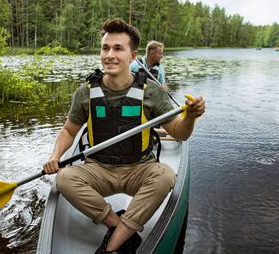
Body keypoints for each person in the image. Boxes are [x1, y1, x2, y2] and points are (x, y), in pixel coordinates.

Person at [43, 18, 205, 254]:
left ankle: (112, 246)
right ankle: (115, 223)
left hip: (138, 169)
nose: (109, 54)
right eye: (105, 48)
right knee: (64, 179)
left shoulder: (150, 91)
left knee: (165, 176)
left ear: (132, 56)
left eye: (118, 48)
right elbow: (69, 130)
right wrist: (55, 155)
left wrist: (190, 117)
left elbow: (180, 134)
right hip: (98, 169)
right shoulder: (85, 92)